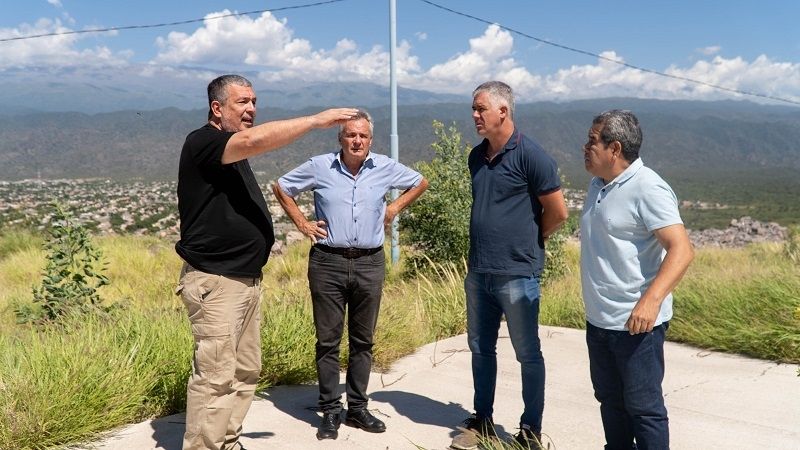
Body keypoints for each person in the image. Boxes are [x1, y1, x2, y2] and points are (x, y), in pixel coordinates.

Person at [174, 74, 357, 450]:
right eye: (242, 102)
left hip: (244, 281)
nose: (252, 109)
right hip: (216, 281)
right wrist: (314, 121)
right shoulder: (204, 141)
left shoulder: (228, 150)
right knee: (215, 376)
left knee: (243, 371)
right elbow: (254, 141)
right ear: (217, 108)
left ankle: (227, 440)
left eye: (254, 101)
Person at [272, 109, 428, 441]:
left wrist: (394, 208)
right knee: (328, 341)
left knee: (363, 340)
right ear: (340, 138)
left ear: (371, 140)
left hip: (370, 262)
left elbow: (420, 182)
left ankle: (357, 408)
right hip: (327, 262)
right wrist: (301, 223)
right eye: (350, 135)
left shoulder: (385, 167)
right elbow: (282, 187)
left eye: (363, 136)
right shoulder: (320, 165)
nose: (357, 141)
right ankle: (330, 411)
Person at [451, 81, 569, 450]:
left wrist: (535, 240)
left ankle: (530, 431)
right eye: (473, 108)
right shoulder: (476, 157)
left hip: (518, 273)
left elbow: (558, 213)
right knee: (481, 348)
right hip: (479, 271)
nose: (474, 115)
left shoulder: (532, 156)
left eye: (480, 108)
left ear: (503, 111)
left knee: (527, 353)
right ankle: (482, 421)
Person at [580, 110, 694, 450]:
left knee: (644, 410)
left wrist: (651, 300)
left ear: (614, 149)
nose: (585, 147)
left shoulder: (648, 187)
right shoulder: (596, 184)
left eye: (592, 140)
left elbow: (682, 250)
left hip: (636, 326)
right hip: (599, 321)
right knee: (610, 403)